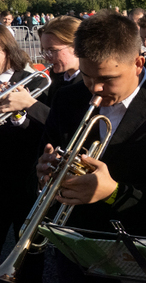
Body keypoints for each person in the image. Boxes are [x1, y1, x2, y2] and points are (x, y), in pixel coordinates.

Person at [36, 12, 146, 282]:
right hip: (77, 251)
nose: (95, 88)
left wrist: (112, 192)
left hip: (141, 259)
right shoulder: (67, 98)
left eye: (108, 78)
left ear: (138, 63)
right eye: (87, 75)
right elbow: (46, 155)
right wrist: (45, 170)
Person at [0, 25, 48, 282]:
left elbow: (48, 129)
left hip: (25, 176)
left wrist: (19, 114)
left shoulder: (34, 80)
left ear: (7, 51)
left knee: (27, 251)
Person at [0, 16, 82, 131]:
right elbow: (43, 131)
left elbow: (70, 129)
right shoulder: (58, 77)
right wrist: (18, 112)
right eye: (44, 51)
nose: (46, 57)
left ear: (76, 47)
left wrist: (30, 104)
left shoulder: (90, 82)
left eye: (52, 50)